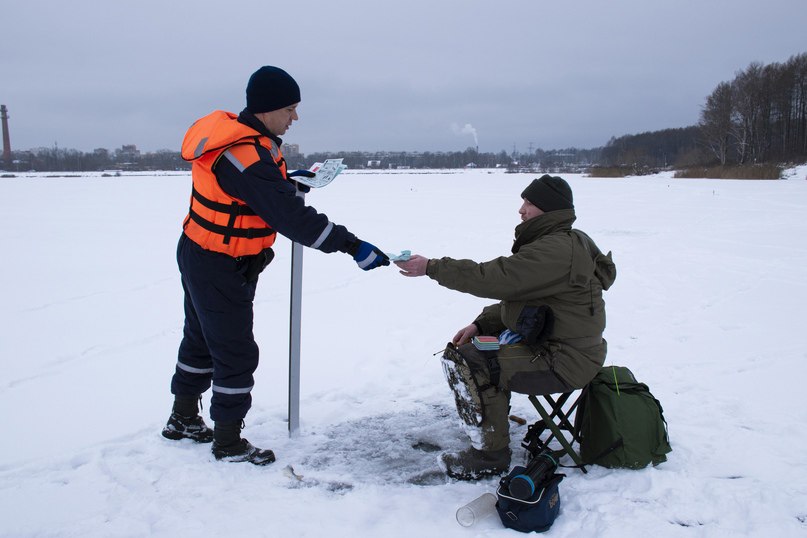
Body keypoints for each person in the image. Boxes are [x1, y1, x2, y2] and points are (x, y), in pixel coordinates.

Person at [161, 66, 389, 465]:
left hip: (206, 252)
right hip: (218, 261)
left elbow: (260, 191)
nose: (295, 118)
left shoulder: (250, 145)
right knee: (235, 350)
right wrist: (352, 245)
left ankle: (183, 419)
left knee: (200, 338)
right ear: (267, 110)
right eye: (291, 109)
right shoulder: (244, 156)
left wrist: (286, 183)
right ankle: (228, 442)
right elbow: (292, 219)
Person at [394, 175, 616, 480]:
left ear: (548, 211)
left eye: (529, 203)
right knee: (474, 350)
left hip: (564, 360)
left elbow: (495, 278)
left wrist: (431, 267)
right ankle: (490, 422)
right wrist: (481, 324)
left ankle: (490, 456)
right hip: (561, 348)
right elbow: (520, 299)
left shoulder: (555, 251)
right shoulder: (562, 242)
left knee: (473, 362)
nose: (521, 210)